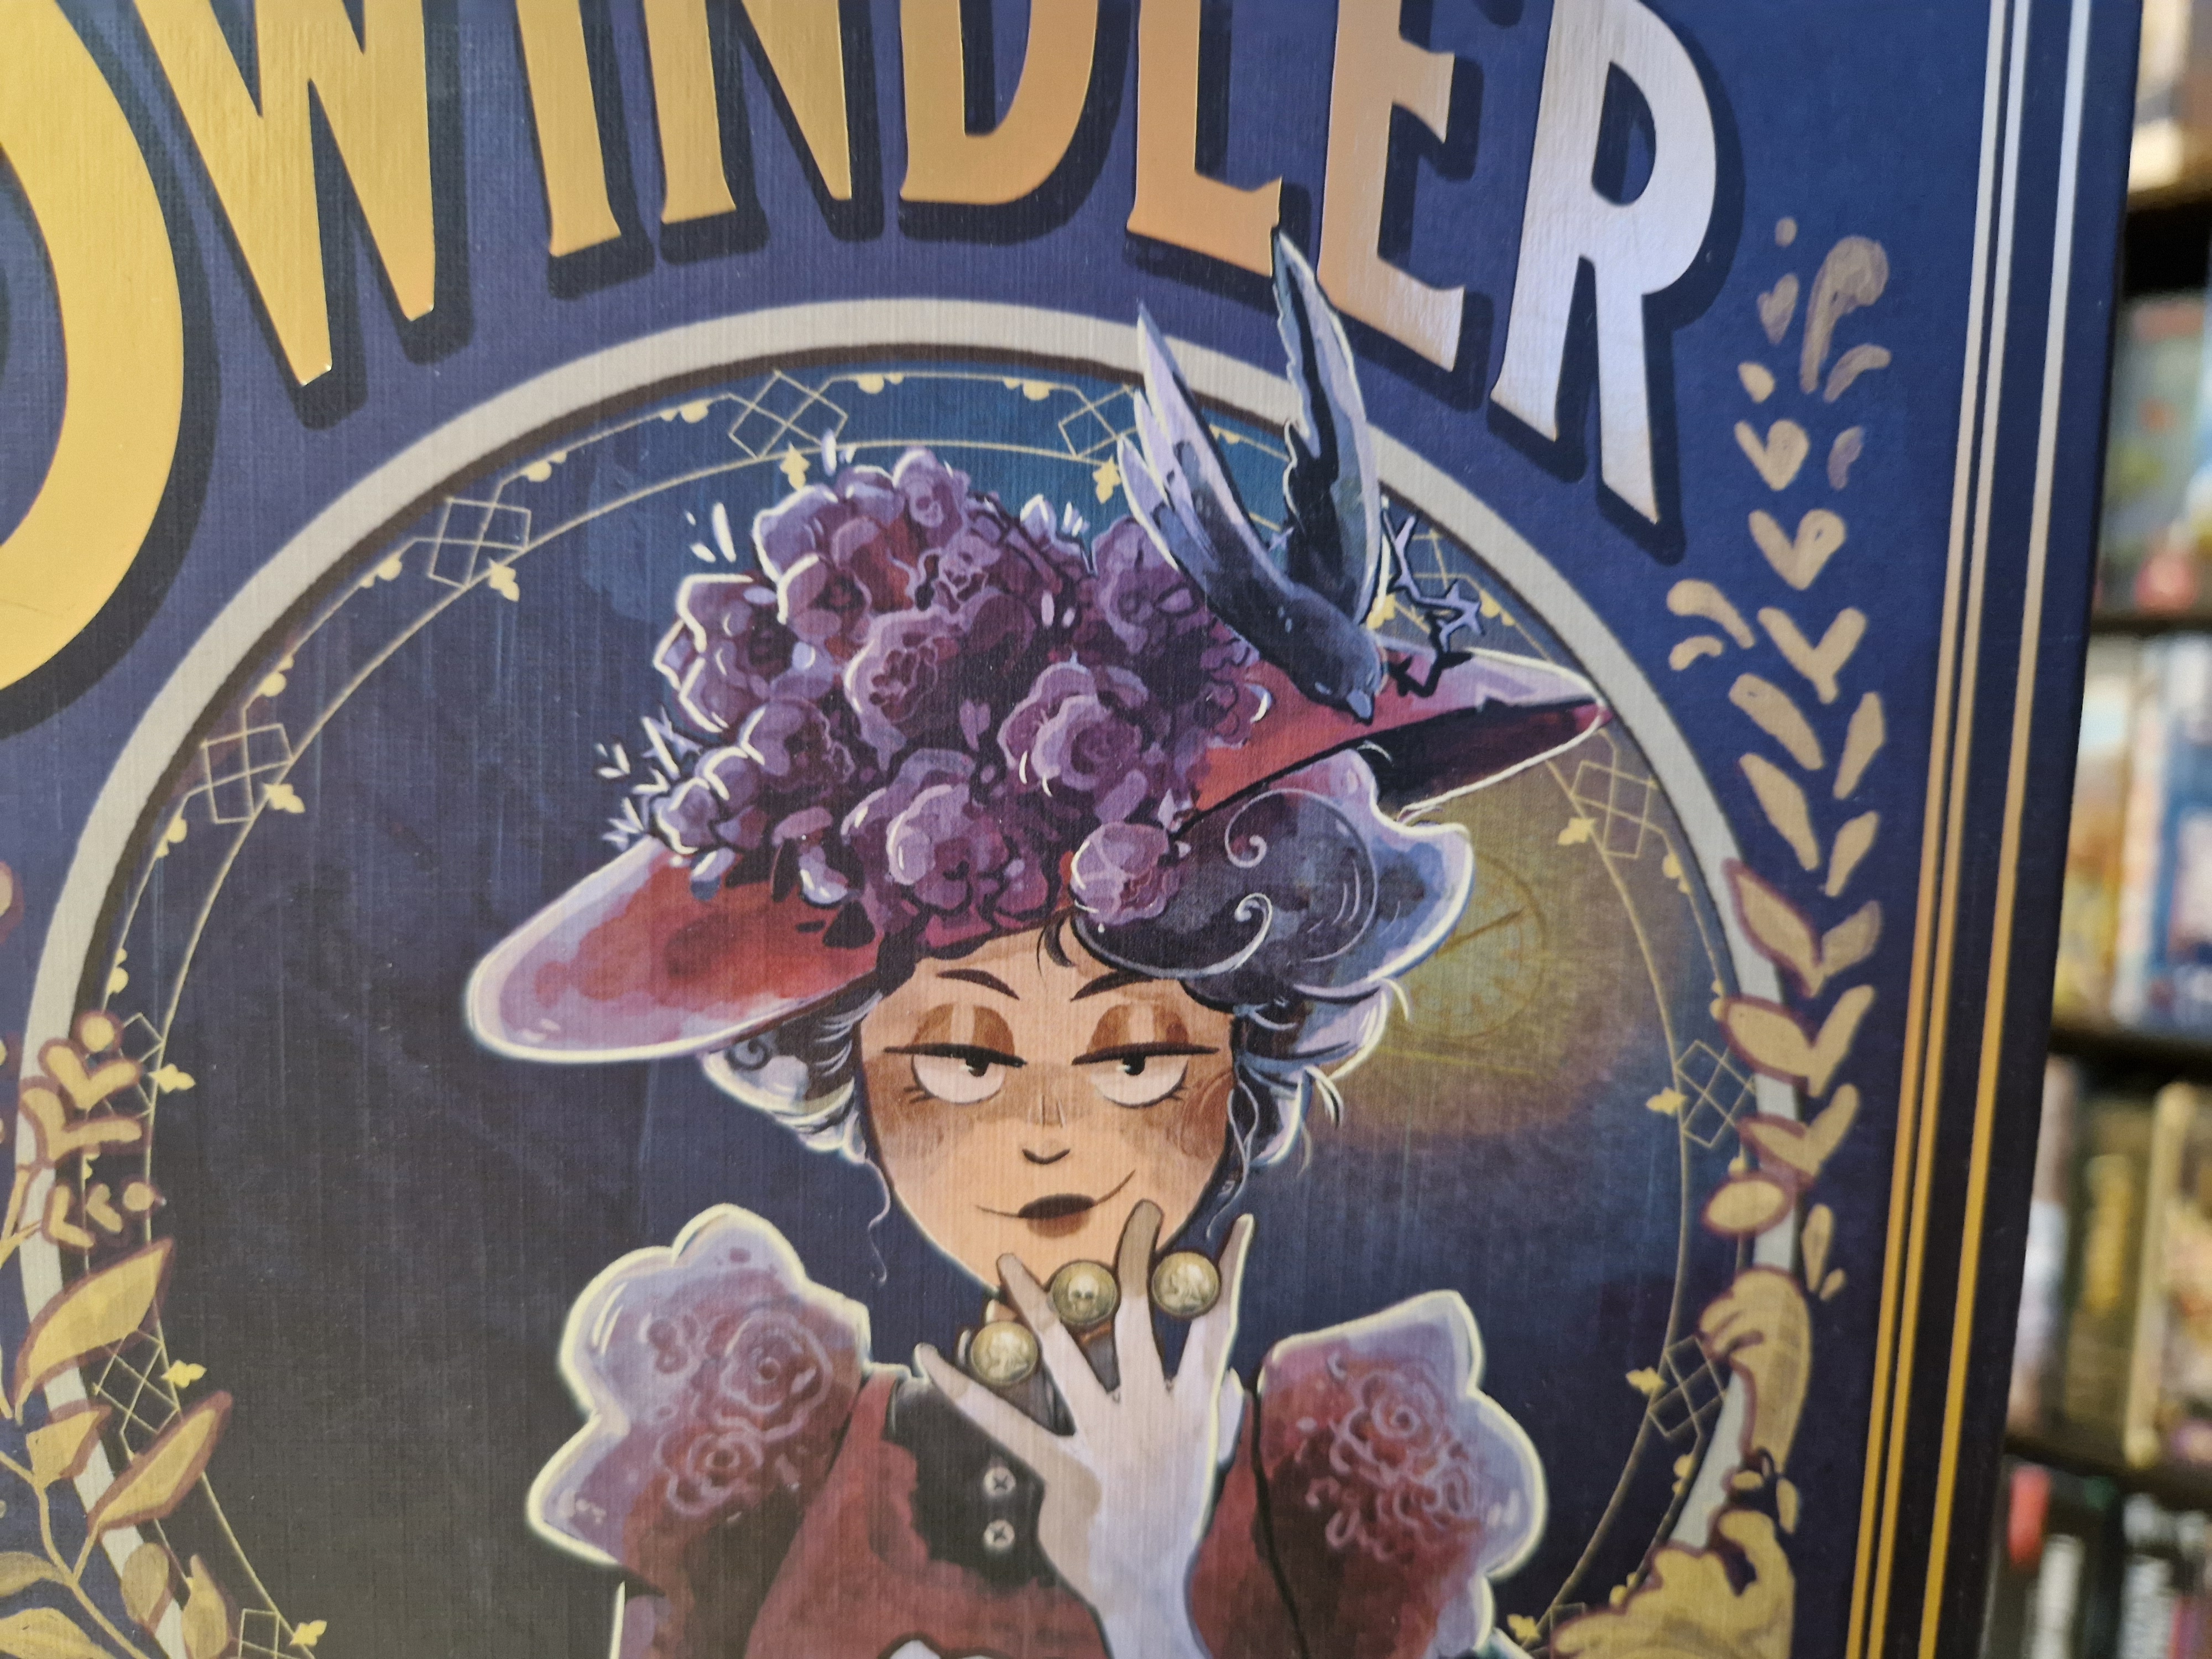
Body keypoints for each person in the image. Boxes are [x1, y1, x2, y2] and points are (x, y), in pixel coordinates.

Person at [467, 242, 1607, 1659]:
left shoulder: (1340, 1499)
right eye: (961, 1058)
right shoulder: (762, 1464)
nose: (1052, 1130)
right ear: (852, 1078)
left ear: (1245, 1065)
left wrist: (1146, 1596)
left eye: (1135, 1061)